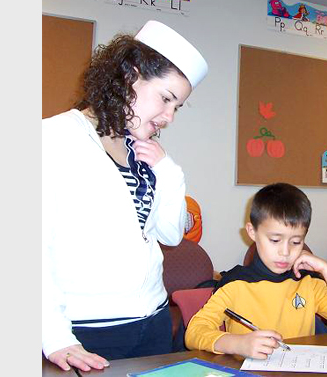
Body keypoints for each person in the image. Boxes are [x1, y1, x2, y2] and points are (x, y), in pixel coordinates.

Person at [42, 20, 208, 372]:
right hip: (88, 332)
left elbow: (170, 232)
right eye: (166, 99)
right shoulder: (54, 138)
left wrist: (169, 172)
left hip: (154, 321)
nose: (169, 117)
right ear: (129, 76)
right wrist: (54, 336)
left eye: (177, 107)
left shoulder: (142, 150)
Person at [185, 183, 327, 359]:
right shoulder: (235, 284)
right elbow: (194, 333)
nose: (285, 252)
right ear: (252, 232)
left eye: (296, 242)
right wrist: (238, 344)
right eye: (274, 240)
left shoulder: (307, 282)